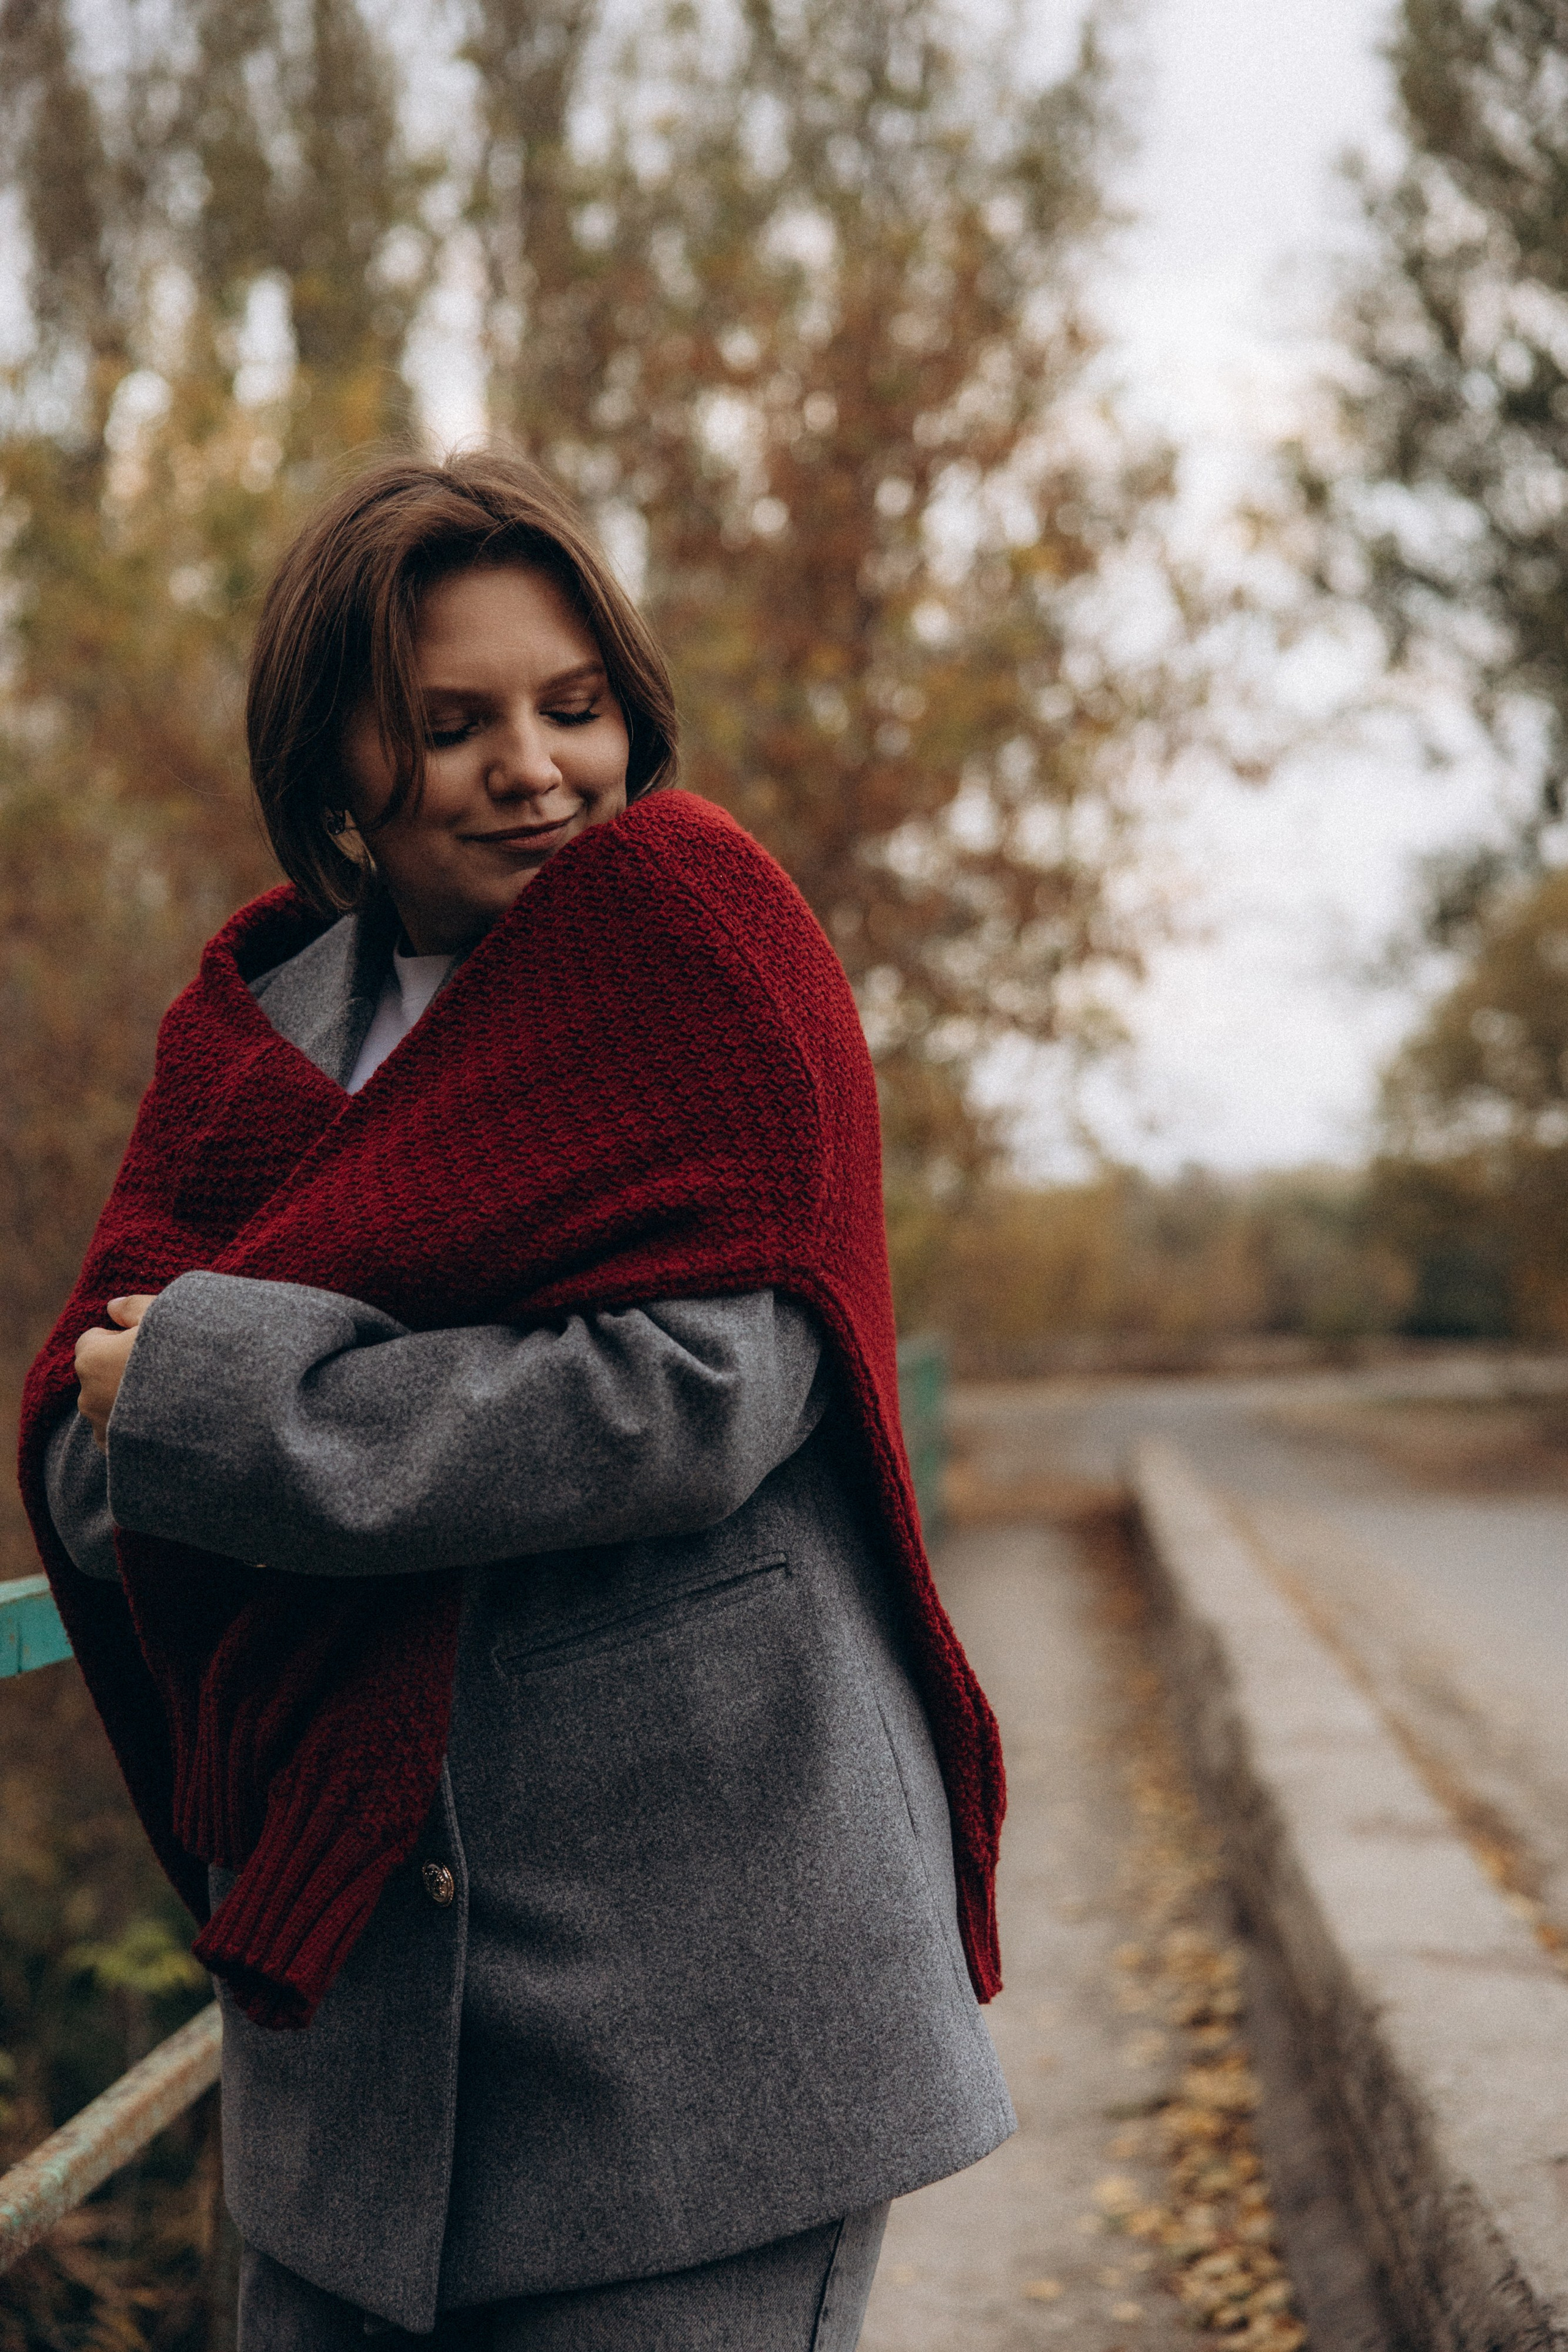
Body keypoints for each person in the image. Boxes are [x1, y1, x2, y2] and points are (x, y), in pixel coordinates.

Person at [18, 451, 1014, 2352]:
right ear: (341, 771)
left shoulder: (716, 960)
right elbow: (84, 1441)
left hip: (708, 2019)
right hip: (355, 2040)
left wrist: (227, 1413)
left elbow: (704, 1392)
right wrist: (169, 1424)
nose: (534, 768)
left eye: (574, 708)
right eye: (452, 724)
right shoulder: (251, 1036)